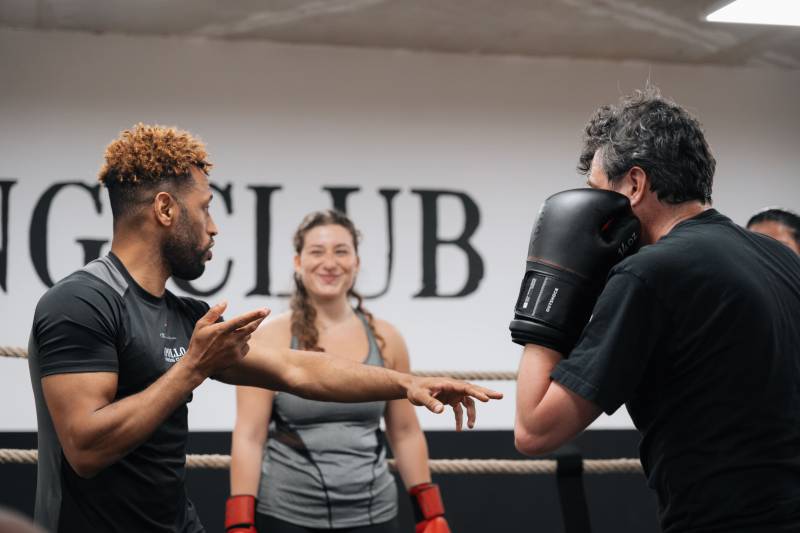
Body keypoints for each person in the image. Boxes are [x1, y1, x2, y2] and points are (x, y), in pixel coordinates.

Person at [27, 124, 502, 533]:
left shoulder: (183, 315)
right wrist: (192, 368)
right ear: (166, 209)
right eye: (205, 208)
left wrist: (406, 383)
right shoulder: (80, 303)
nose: (213, 227)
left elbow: (298, 370)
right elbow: (85, 449)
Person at [509, 87, 800, 532]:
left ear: (634, 184)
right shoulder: (780, 259)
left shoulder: (651, 273)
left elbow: (534, 430)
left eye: (597, 189)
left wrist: (550, 292)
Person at [227, 210, 450, 533]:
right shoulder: (268, 338)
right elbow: (249, 435)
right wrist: (240, 521)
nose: (329, 263)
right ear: (298, 262)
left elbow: (405, 432)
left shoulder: (387, 339)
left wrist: (430, 514)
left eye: (341, 251)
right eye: (317, 251)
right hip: (288, 516)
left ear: (356, 262)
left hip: (375, 515)